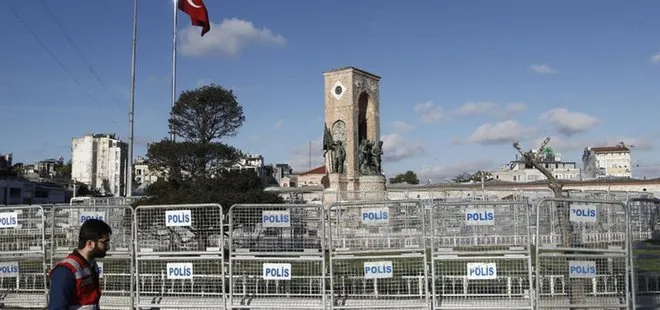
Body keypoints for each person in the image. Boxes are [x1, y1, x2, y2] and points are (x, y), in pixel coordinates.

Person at [48, 218, 112, 310]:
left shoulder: (92, 265)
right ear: (90, 244)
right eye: (104, 242)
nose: (108, 247)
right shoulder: (65, 270)